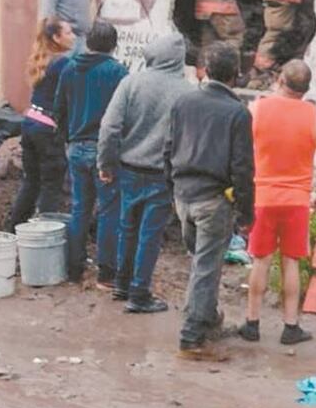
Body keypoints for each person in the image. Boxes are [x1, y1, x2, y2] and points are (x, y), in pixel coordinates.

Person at [165, 42, 254, 360]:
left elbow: (168, 147)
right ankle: (192, 336)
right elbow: (242, 167)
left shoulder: (184, 102)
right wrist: (246, 213)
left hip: (183, 196)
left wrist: (171, 187)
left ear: (205, 71)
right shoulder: (237, 113)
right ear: (236, 75)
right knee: (206, 266)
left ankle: (207, 316)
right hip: (213, 200)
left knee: (201, 262)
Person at [237, 60, 316, 345]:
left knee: (260, 260)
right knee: (291, 262)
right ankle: (291, 326)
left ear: (280, 80)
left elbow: (242, 152)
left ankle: (252, 323)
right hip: (297, 201)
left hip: (263, 196)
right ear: (306, 88)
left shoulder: (257, 109)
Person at [98, 33, 193, 313]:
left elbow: (110, 128)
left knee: (127, 226)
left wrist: (106, 163)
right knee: (149, 234)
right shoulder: (187, 93)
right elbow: (187, 139)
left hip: (128, 168)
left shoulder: (131, 82)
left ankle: (122, 284)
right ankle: (139, 293)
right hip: (162, 174)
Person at [54, 21, 128, 286]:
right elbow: (124, 116)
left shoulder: (69, 68)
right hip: (104, 151)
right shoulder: (118, 72)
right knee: (109, 210)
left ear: (88, 42)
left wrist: (66, 141)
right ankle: (106, 272)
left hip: (75, 147)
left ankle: (74, 268)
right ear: (113, 45)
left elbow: (59, 109)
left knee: (80, 208)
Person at [7, 17, 76, 230]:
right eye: (68, 32)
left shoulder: (43, 60)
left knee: (31, 182)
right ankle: (46, 234)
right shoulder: (65, 63)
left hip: (30, 123)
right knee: (51, 186)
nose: (73, 36)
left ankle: (14, 229)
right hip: (47, 129)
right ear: (56, 38)